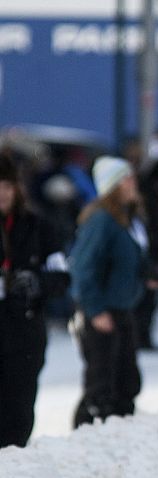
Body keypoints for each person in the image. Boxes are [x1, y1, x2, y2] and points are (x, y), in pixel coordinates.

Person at [69, 156, 147, 428]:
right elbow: (82, 267)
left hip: (122, 309)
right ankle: (88, 434)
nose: (132, 182)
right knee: (101, 384)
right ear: (113, 186)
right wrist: (95, 310)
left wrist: (148, 275)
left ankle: (117, 431)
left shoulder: (127, 219)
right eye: (126, 178)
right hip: (102, 313)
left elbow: (124, 262)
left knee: (126, 381)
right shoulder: (101, 220)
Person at [0, 153, 70, 448]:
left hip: (24, 336)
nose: (1, 194)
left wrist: (35, 283)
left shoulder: (39, 226)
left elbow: (62, 277)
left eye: (6, 186)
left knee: (18, 416)